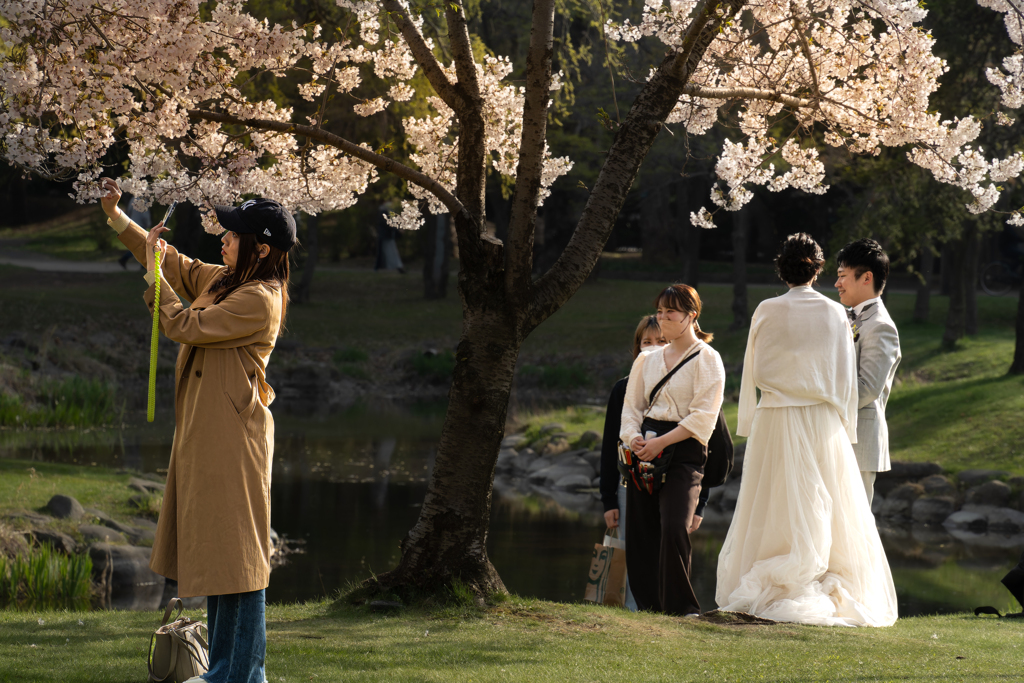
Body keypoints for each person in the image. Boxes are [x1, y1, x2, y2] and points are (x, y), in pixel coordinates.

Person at [100, 178, 295, 683]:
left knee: (243, 561)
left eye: (232, 235)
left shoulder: (259, 298)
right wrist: (120, 219)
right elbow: (176, 263)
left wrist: (153, 282)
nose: (222, 240)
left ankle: (244, 673)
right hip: (210, 434)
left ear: (262, 247)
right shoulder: (228, 280)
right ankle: (226, 670)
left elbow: (185, 326)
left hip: (234, 439)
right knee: (219, 553)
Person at [716, 233, 897, 627]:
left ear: (782, 270)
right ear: (815, 269)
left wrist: (756, 413)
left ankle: (780, 571)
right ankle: (825, 579)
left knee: (775, 499)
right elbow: (843, 382)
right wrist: (829, 406)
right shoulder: (834, 313)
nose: (838, 281)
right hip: (822, 419)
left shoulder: (765, 309)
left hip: (776, 417)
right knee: (829, 506)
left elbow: (755, 371)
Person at [619, 285, 725, 616]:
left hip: (684, 448)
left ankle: (681, 608)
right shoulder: (646, 359)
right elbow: (632, 407)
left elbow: (703, 417)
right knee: (641, 529)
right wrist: (633, 438)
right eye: (660, 311)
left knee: (675, 524)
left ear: (691, 316)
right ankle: (649, 606)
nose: (663, 318)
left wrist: (661, 443)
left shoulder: (708, 359)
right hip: (645, 443)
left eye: (671, 312)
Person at [599, 315, 666, 612]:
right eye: (646, 342)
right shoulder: (622, 389)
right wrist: (608, 499)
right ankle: (631, 613)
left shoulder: (684, 386)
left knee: (664, 551)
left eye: (661, 341)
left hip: (669, 482)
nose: (652, 348)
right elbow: (609, 446)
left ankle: (666, 612)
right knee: (629, 552)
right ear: (636, 348)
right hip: (629, 484)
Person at [835, 238, 901, 506]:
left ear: (867, 278)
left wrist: (821, 404)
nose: (837, 283)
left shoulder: (881, 326)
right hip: (838, 436)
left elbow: (868, 387)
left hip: (859, 441)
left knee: (854, 531)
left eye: (842, 276)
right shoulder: (844, 317)